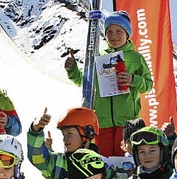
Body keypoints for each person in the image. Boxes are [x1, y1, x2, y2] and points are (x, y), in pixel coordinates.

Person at [64, 10, 153, 157]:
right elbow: (84, 82)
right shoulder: (99, 58)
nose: (114, 36)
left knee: (124, 162)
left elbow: (148, 85)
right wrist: (72, 69)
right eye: (109, 32)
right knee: (104, 162)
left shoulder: (136, 58)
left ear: (127, 33)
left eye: (119, 31)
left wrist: (133, 80)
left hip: (126, 122)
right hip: (102, 121)